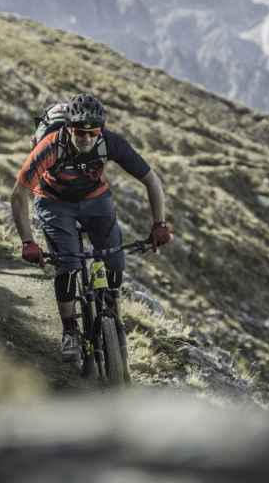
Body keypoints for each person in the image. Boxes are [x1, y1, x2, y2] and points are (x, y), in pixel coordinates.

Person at [10, 93, 173, 362]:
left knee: (115, 261)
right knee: (69, 265)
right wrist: (28, 241)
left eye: (92, 132)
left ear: (101, 130)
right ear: (68, 128)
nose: (85, 138)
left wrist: (160, 223)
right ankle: (70, 330)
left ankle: (110, 310)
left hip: (94, 198)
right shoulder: (51, 147)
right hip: (54, 202)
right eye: (78, 132)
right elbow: (19, 194)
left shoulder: (111, 143)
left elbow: (151, 181)